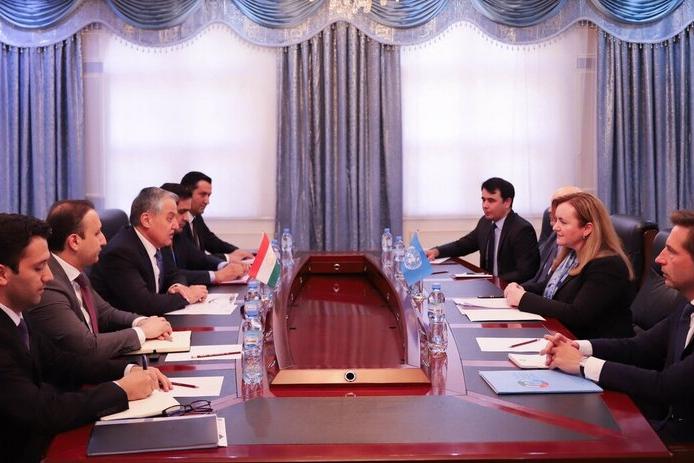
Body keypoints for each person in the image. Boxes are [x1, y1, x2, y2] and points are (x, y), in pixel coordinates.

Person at [0, 213, 170, 462]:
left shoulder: (17, 314)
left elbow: (63, 362)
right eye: (38, 267)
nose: (48, 276)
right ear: (3, 274)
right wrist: (120, 390)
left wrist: (128, 369)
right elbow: (41, 411)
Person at [542, 210, 694, 443]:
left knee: (572, 438)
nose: (659, 259)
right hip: (663, 422)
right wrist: (577, 346)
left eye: (671, 252)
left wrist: (582, 364)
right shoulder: (685, 306)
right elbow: (639, 347)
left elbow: (665, 386)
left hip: (682, 441)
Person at [25, 200, 173, 359]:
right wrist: (142, 332)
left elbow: (105, 313)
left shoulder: (76, 273)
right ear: (74, 241)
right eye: (97, 233)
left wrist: (142, 322)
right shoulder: (49, 284)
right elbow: (87, 346)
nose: (104, 240)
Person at [505, 192, 634, 339]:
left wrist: (523, 299)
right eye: (556, 220)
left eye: (563, 222)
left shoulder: (607, 265)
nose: (555, 227)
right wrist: (519, 288)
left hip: (594, 345)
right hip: (563, 335)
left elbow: (578, 315)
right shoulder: (572, 254)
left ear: (587, 229)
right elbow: (547, 288)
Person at [91, 187, 208, 315]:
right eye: (170, 218)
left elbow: (174, 274)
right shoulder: (120, 252)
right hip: (128, 324)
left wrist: (177, 287)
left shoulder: (160, 241)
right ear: (146, 220)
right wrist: (187, 296)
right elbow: (145, 304)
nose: (175, 225)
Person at [425, 177, 539, 282]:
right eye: (483, 200)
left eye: (491, 200)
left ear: (507, 202)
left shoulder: (522, 230)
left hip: (509, 290)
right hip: (487, 286)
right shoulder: (485, 222)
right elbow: (463, 245)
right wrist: (436, 251)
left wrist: (493, 280)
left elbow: (525, 273)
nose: (485, 205)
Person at [160, 183, 247, 285]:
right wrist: (216, 276)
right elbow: (170, 276)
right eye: (182, 212)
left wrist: (224, 265)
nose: (187, 218)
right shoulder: (161, 238)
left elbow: (198, 257)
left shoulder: (178, 235)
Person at [180, 171, 254, 261]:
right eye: (203, 194)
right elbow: (193, 258)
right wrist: (227, 257)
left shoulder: (196, 216)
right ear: (187, 193)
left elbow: (211, 241)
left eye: (209, 195)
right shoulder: (178, 222)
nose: (207, 201)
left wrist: (236, 251)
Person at [522, 186, 582, 287]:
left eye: (557, 204)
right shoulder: (556, 236)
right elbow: (545, 283)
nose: (550, 210)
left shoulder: (594, 262)